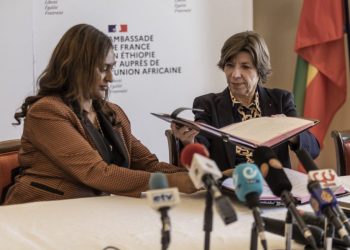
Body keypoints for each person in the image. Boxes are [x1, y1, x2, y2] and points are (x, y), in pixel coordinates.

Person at [4, 24, 197, 205]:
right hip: (41, 211)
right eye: (104, 69)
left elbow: (147, 164)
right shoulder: (46, 112)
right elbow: (95, 172)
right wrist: (171, 181)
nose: (111, 78)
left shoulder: (112, 111)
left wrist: (203, 177)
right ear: (77, 68)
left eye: (112, 68)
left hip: (95, 209)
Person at [172, 31, 320, 171]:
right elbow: (201, 152)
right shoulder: (207, 104)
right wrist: (188, 142)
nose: (235, 74)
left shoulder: (280, 100)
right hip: (229, 189)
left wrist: (290, 132)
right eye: (229, 65)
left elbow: (313, 149)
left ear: (260, 70)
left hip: (276, 189)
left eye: (245, 67)